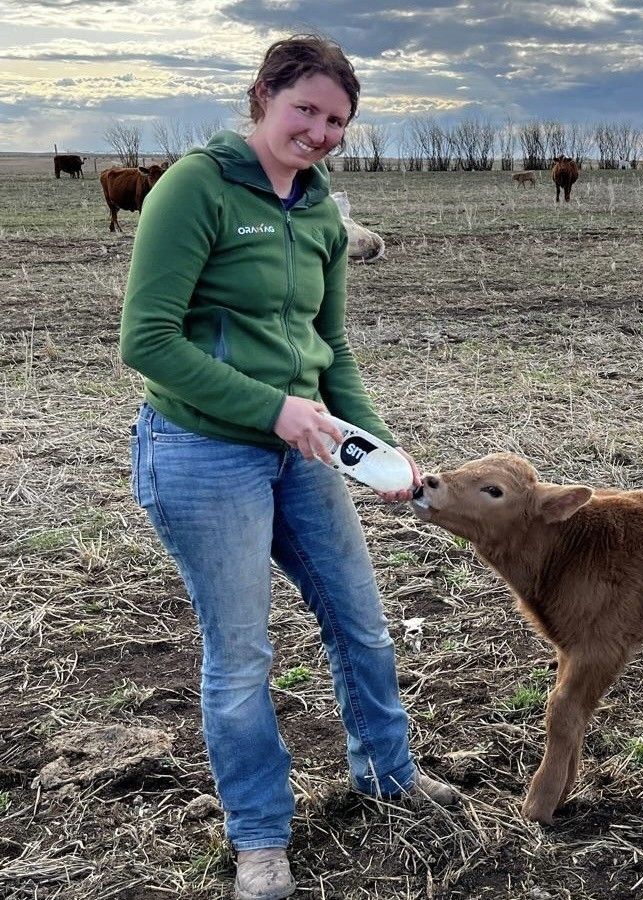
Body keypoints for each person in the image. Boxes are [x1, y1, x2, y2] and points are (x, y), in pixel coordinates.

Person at [119, 34, 460, 900]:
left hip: (303, 452)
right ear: (264, 94)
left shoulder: (318, 209)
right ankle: (261, 840)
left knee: (363, 625)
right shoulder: (194, 188)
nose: (319, 132)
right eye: (306, 109)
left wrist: (381, 452)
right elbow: (147, 343)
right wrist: (272, 408)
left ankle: (389, 776)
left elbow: (329, 349)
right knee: (241, 657)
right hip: (201, 452)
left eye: (338, 121)